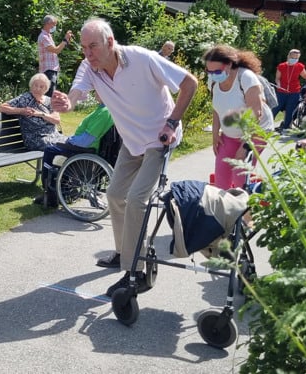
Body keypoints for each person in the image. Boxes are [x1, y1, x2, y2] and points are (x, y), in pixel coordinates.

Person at [51, 17, 197, 297]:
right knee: (116, 195)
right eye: (83, 47)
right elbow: (76, 94)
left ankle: (135, 272)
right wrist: (67, 103)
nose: (88, 53)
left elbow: (189, 83)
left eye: (93, 46)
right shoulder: (90, 67)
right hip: (132, 142)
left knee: (136, 201)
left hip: (158, 139)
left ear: (110, 41)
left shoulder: (143, 59)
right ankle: (122, 252)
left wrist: (173, 122)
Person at [203, 45, 274, 190]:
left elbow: (256, 114)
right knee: (221, 177)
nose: (212, 74)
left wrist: (245, 146)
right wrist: (215, 134)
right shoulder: (213, 81)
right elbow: (217, 108)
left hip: (255, 133)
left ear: (229, 64)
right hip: (230, 134)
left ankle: (245, 211)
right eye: (208, 71)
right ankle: (223, 210)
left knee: (240, 177)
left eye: (217, 71)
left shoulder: (246, 78)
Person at [35, 102, 114, 207]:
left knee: (50, 150)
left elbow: (87, 140)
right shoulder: (108, 109)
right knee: (55, 148)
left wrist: (70, 141)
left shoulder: (104, 112)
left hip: (84, 149)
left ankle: (50, 194)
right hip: (88, 147)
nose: (95, 91)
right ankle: (62, 189)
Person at [0, 73, 65, 151]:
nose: (38, 88)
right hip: (35, 139)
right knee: (64, 147)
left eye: (41, 86)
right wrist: (21, 111)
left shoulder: (49, 101)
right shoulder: (24, 98)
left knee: (71, 144)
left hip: (54, 136)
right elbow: (1, 108)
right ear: (31, 86)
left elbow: (56, 119)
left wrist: (40, 114)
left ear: (46, 89)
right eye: (35, 85)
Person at [274, 48, 306, 131]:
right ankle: (266, 125)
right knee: (275, 108)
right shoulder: (281, 66)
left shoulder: (300, 66)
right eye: (293, 57)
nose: (295, 59)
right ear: (289, 56)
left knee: (290, 110)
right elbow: (277, 78)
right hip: (281, 91)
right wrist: (278, 84)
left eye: (297, 58)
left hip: (294, 92)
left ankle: (286, 127)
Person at [38, 15, 73, 98]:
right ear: (47, 24)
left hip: (52, 69)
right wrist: (64, 40)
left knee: (50, 92)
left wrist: (66, 41)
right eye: (53, 24)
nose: (54, 27)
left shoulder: (48, 36)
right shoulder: (44, 37)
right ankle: (48, 110)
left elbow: (56, 51)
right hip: (48, 69)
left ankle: (48, 109)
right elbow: (56, 50)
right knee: (49, 93)